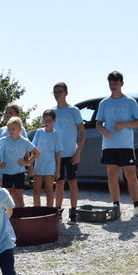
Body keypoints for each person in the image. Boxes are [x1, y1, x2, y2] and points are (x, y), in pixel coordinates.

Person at [95, 71, 138, 218]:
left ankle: (137, 207)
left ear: (122, 83)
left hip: (126, 144)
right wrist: (104, 131)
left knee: (130, 174)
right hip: (109, 145)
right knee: (112, 175)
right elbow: (98, 124)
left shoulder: (130, 101)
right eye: (111, 82)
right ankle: (116, 206)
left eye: (116, 82)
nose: (113, 85)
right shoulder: (104, 103)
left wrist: (124, 124)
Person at [52, 82, 86, 222]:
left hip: (71, 152)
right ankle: (58, 211)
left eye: (60, 91)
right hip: (57, 154)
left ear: (66, 92)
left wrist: (78, 151)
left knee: (72, 181)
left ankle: (73, 212)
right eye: (55, 92)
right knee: (59, 183)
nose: (57, 94)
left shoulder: (74, 110)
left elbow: (83, 133)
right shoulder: (51, 112)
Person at [0, 117, 37, 208]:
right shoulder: (3, 140)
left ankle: (21, 213)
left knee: (19, 195)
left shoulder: (24, 141)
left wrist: (27, 162)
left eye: (13, 129)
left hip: (19, 172)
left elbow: (37, 153)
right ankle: (9, 214)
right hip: (6, 172)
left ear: (20, 129)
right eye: (9, 129)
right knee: (7, 195)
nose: (11, 131)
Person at [31, 109, 64, 207]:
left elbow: (58, 153)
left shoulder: (56, 134)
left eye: (49, 120)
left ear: (54, 120)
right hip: (38, 166)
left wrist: (58, 170)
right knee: (36, 192)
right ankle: (37, 212)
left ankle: (49, 212)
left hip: (50, 166)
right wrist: (31, 165)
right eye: (45, 120)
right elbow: (33, 148)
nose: (47, 122)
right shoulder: (39, 132)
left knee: (49, 191)